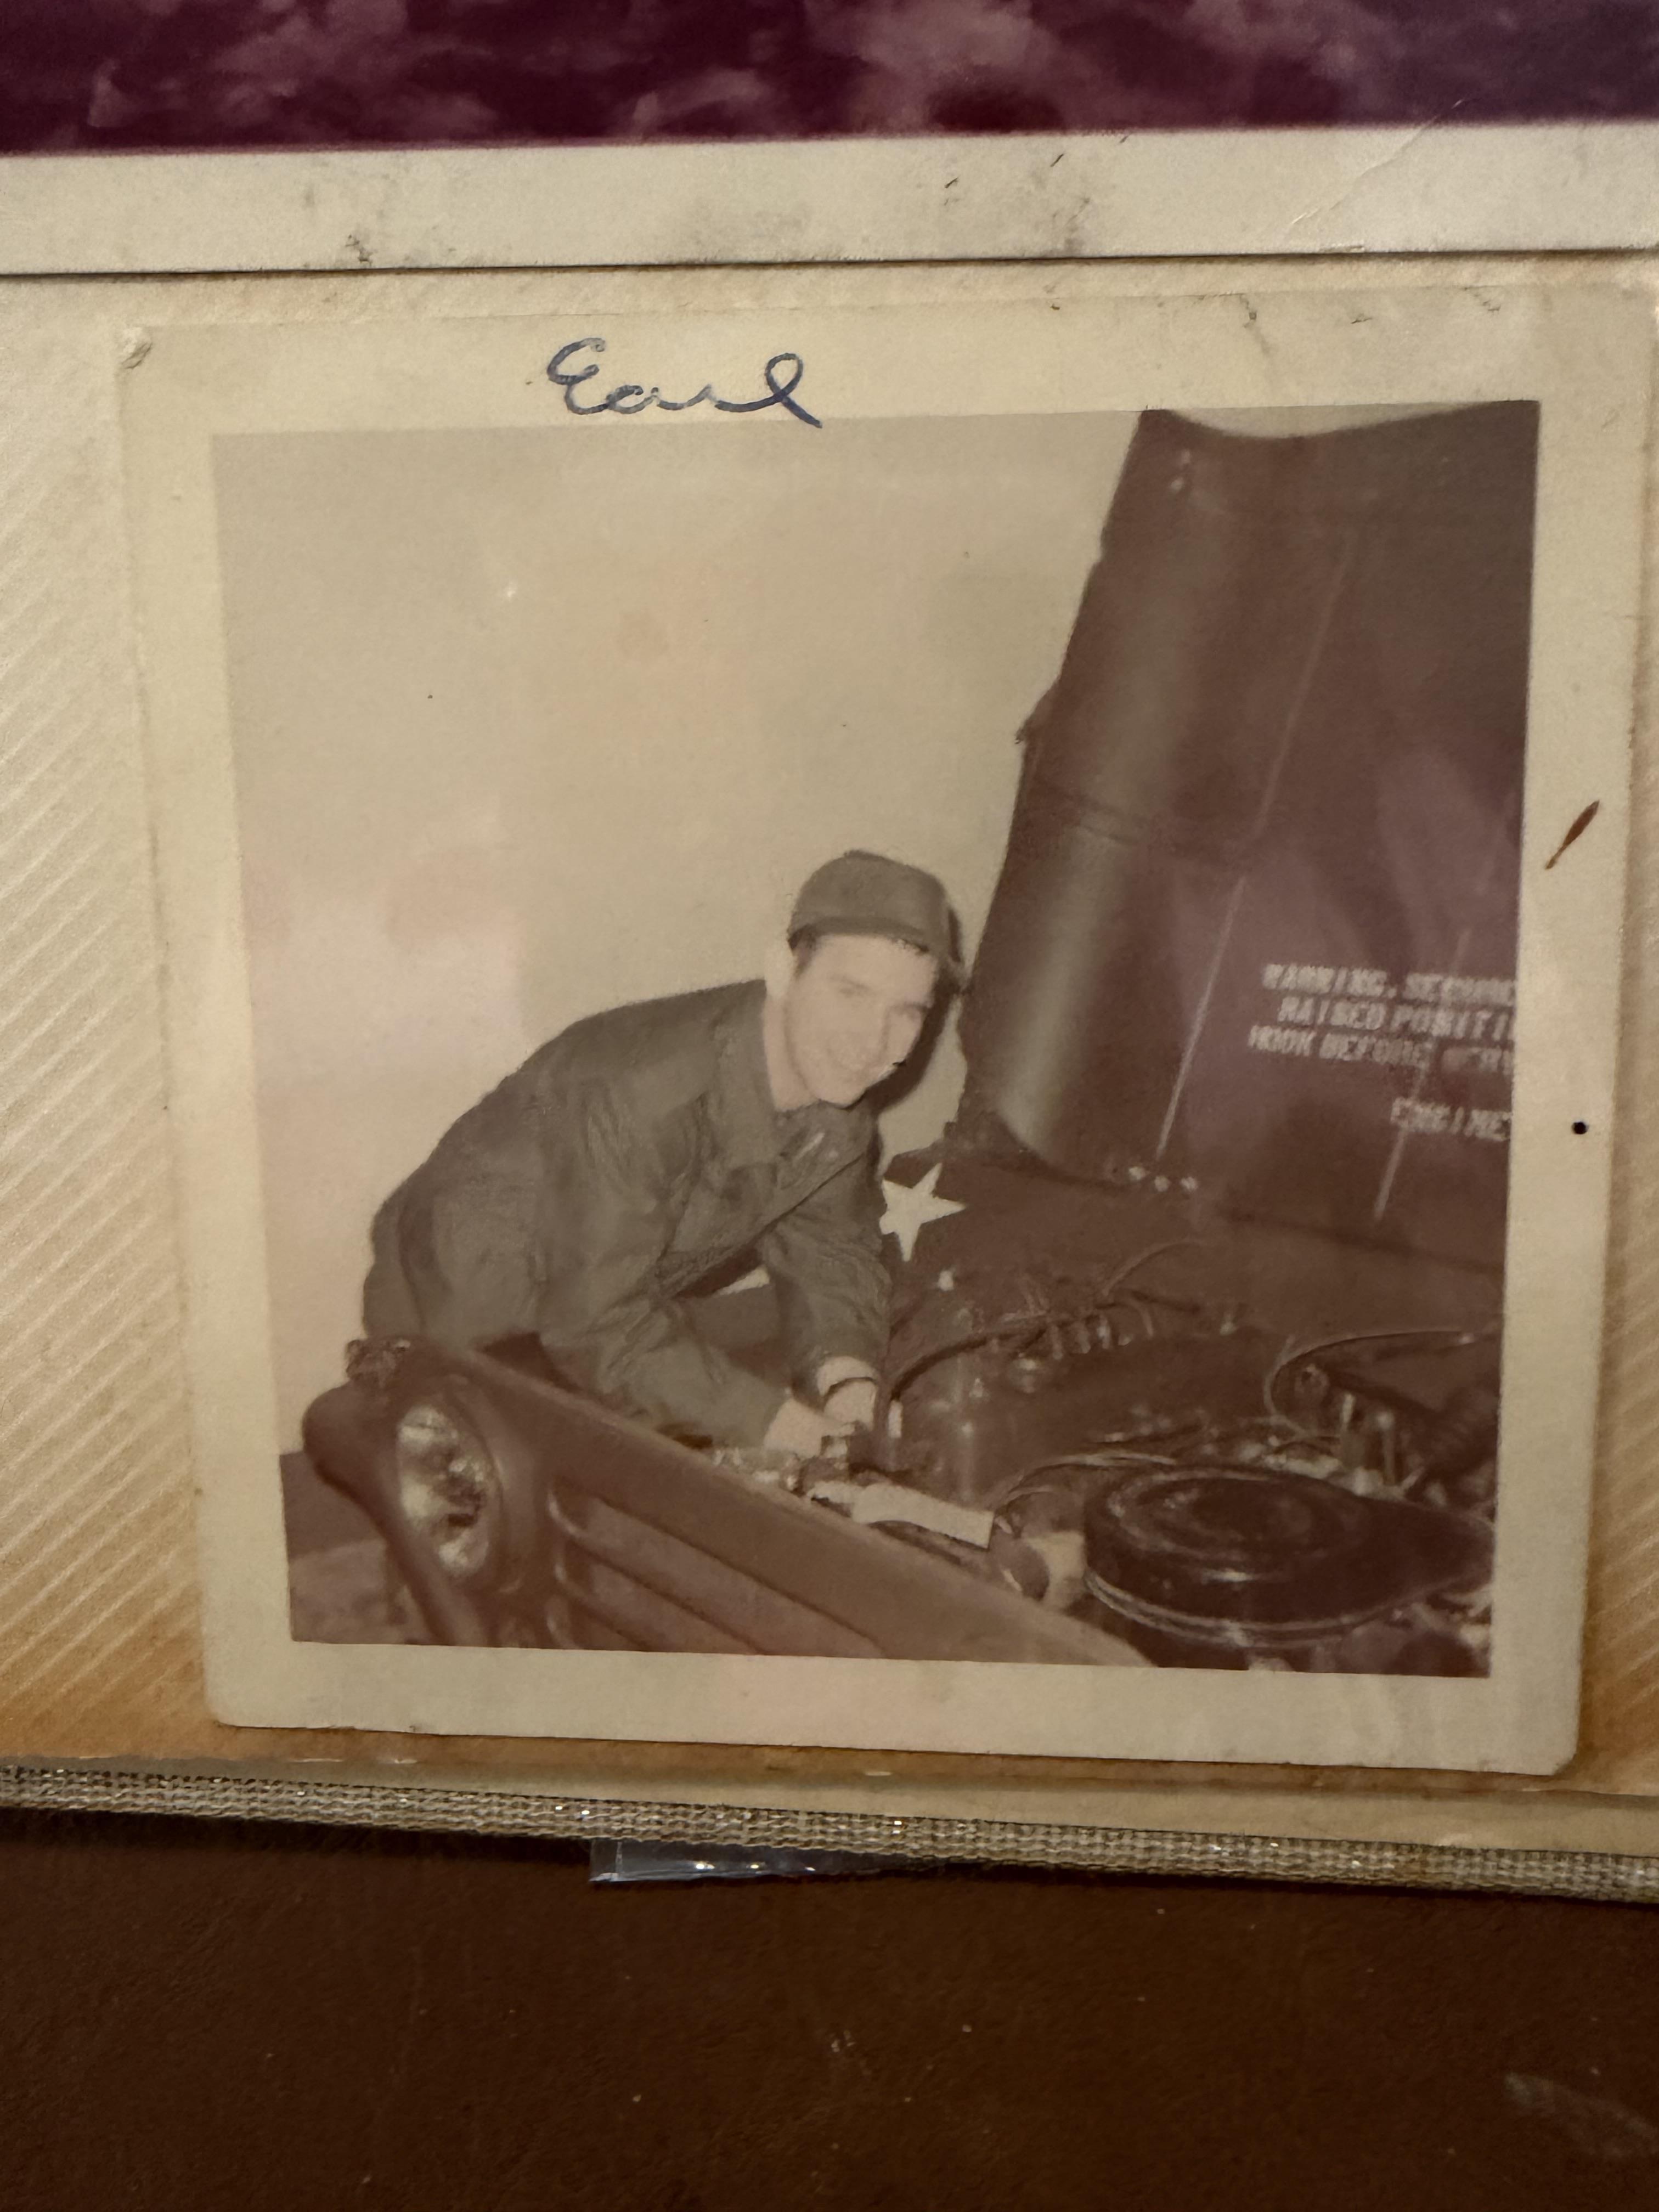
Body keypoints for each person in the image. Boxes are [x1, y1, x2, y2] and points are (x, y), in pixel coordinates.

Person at [362, 851, 961, 1455]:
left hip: (597, 1312)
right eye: (851, 993)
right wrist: (772, 1423)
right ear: (784, 971)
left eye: (907, 1011)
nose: (873, 1040)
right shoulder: (641, 1094)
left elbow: (830, 1254)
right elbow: (593, 1323)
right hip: (466, 1321)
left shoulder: (837, 1105)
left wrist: (848, 1381)